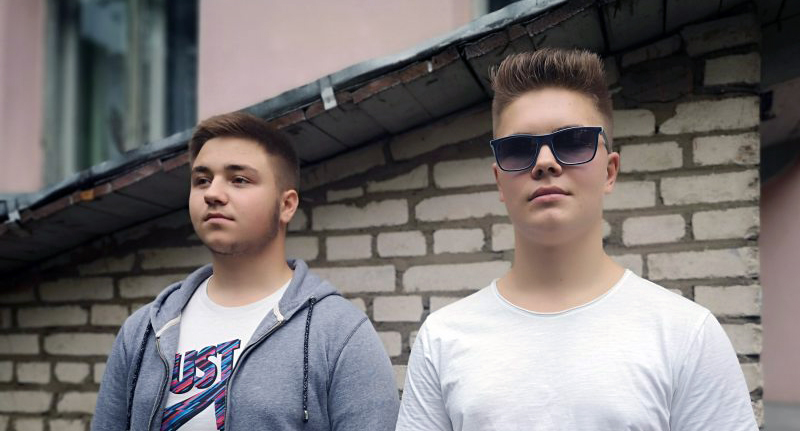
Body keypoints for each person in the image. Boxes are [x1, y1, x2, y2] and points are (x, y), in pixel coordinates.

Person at [395, 48, 757, 431]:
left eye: (573, 142)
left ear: (610, 171)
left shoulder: (686, 334)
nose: (545, 162)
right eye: (517, 149)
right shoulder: (442, 339)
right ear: (499, 181)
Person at [93, 112, 399, 431]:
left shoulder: (339, 333)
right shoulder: (144, 330)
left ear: (287, 205)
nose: (212, 193)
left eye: (239, 179)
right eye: (202, 180)